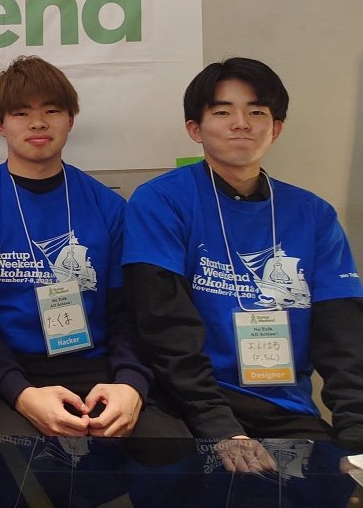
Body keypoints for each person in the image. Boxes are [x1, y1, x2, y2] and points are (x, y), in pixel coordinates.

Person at [0, 56, 189, 508]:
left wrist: (131, 383)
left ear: (71, 119)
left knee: (173, 448)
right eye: (21, 112)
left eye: (51, 110)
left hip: (98, 373)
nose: (38, 123)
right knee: (2, 457)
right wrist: (21, 394)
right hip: (10, 377)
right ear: (0, 124)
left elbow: (128, 314)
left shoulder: (109, 208)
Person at [123, 57, 363, 474]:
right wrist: (220, 427)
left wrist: (356, 436)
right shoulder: (161, 201)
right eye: (222, 112)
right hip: (183, 404)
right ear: (195, 129)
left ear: (276, 128)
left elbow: (342, 336)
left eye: (256, 112)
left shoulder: (314, 215)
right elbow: (164, 327)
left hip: (282, 405)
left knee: (323, 485)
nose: (241, 124)